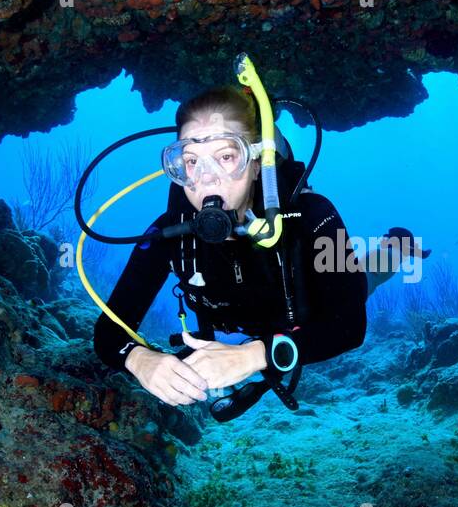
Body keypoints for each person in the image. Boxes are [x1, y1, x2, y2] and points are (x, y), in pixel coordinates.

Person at [92, 85, 425, 411]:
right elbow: (109, 331)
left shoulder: (312, 216)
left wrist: (254, 356)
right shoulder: (170, 231)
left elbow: (350, 328)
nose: (207, 178)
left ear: (255, 163)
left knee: (363, 280)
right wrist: (140, 359)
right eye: (191, 161)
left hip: (308, 308)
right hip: (241, 323)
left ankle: (394, 248)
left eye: (225, 156)